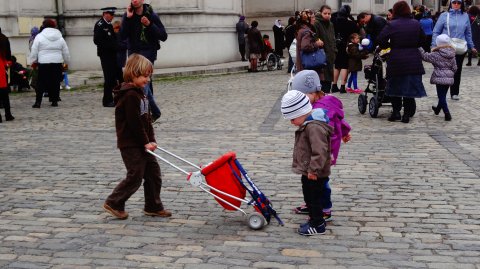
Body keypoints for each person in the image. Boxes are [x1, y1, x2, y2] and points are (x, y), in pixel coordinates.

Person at [103, 53, 171, 220]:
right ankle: (114, 202)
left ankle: (153, 205)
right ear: (133, 73)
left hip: (143, 142)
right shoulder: (130, 95)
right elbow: (135, 124)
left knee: (153, 174)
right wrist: (145, 142)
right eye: (144, 76)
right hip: (130, 143)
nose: (147, 80)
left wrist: (152, 139)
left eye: (149, 76)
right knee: (136, 175)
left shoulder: (142, 93)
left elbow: (146, 120)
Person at [290, 70, 351, 223]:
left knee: (321, 180)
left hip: (325, 150)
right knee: (313, 181)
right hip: (318, 148)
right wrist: (345, 131)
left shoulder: (321, 108)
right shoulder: (316, 104)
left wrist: (343, 132)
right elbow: (340, 120)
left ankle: (324, 208)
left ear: (314, 91)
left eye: (304, 96)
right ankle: (312, 204)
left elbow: (335, 120)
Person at [280, 90, 332, 236]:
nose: (291, 122)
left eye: (292, 119)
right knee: (309, 195)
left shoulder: (314, 127)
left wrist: (313, 170)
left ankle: (318, 223)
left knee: (314, 197)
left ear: (301, 113)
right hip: (309, 170)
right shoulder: (308, 124)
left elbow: (320, 151)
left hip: (315, 172)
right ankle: (314, 219)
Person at [376, 1, 427, 124]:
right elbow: (423, 40)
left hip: (397, 59)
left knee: (395, 86)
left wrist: (389, 45)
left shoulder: (392, 24)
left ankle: (396, 112)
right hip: (413, 59)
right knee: (409, 89)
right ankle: (407, 115)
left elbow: (380, 39)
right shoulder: (416, 24)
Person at [121, 0, 168, 122]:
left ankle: (143, 115)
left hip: (148, 53)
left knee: (143, 84)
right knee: (140, 83)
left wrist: (149, 24)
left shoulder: (151, 15)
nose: (134, 0)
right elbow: (121, 36)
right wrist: (128, 18)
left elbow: (163, 36)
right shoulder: (128, 14)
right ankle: (154, 112)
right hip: (133, 54)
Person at [432, 0, 477, 100]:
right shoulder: (444, 15)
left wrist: (471, 46)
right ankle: (442, 93)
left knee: (457, 70)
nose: (456, 4)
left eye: (459, 2)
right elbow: (436, 31)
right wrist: (434, 46)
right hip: (445, 48)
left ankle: (454, 92)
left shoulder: (465, 16)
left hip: (460, 48)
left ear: (462, 4)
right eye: (454, 2)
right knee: (444, 71)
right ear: (451, 3)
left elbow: (468, 33)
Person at [29, 19, 70, 108]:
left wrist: (32, 61)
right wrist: (66, 62)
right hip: (57, 62)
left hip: (43, 62)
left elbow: (34, 50)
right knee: (55, 82)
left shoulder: (39, 36)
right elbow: (65, 51)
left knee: (41, 82)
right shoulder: (60, 37)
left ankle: (38, 102)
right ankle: (54, 101)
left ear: (44, 26)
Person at [420, 34, 457, 121]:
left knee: (441, 97)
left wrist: (419, 48)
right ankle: (437, 110)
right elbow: (455, 68)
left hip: (439, 77)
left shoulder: (436, 54)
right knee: (443, 95)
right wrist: (450, 74)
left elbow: (425, 56)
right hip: (449, 77)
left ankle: (447, 113)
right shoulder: (452, 54)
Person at [94, 7, 121, 107]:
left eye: (113, 14)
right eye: (110, 14)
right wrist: (110, 46)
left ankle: (116, 97)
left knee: (115, 77)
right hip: (106, 55)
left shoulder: (108, 25)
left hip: (112, 54)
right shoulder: (100, 25)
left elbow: (112, 38)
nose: (112, 16)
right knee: (109, 78)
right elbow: (97, 40)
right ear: (105, 14)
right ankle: (107, 100)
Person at [331, 5, 359, 93]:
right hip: (346, 46)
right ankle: (343, 86)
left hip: (336, 45)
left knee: (337, 65)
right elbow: (356, 30)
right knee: (344, 66)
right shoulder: (350, 23)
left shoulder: (334, 21)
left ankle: (334, 85)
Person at [314, 5, 336, 93]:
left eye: (329, 13)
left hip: (330, 56)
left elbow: (333, 39)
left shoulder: (331, 24)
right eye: (325, 13)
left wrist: (334, 51)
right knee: (322, 82)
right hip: (321, 57)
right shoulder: (317, 23)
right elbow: (314, 38)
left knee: (328, 83)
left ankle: (326, 102)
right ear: (321, 13)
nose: (327, 15)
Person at [0, 27, 14, 122]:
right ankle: (8, 114)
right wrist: (8, 63)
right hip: (2, 66)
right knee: (4, 93)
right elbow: (8, 54)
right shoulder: (4, 38)